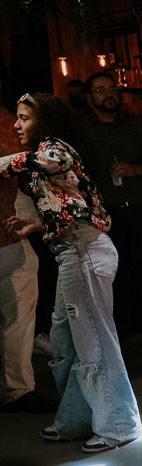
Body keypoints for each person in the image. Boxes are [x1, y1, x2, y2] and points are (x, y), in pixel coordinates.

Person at [1, 92, 141, 452]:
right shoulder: (47, 154)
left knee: (94, 341)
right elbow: (71, 202)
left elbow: (50, 161)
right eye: (17, 118)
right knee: (64, 342)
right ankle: (77, 418)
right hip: (69, 251)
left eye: (24, 118)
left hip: (85, 251)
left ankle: (118, 425)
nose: (17, 125)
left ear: (44, 121)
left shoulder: (55, 148)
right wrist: (36, 225)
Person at [81, 71, 142, 336]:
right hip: (104, 212)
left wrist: (135, 169)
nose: (108, 94)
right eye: (100, 90)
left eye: (112, 89)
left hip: (139, 207)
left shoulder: (136, 125)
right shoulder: (81, 129)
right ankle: (118, 323)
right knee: (112, 268)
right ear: (89, 97)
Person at [0, 84, 54, 414]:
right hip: (7, 235)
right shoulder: (6, 124)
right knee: (17, 313)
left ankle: (16, 387)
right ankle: (16, 388)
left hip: (9, 234)